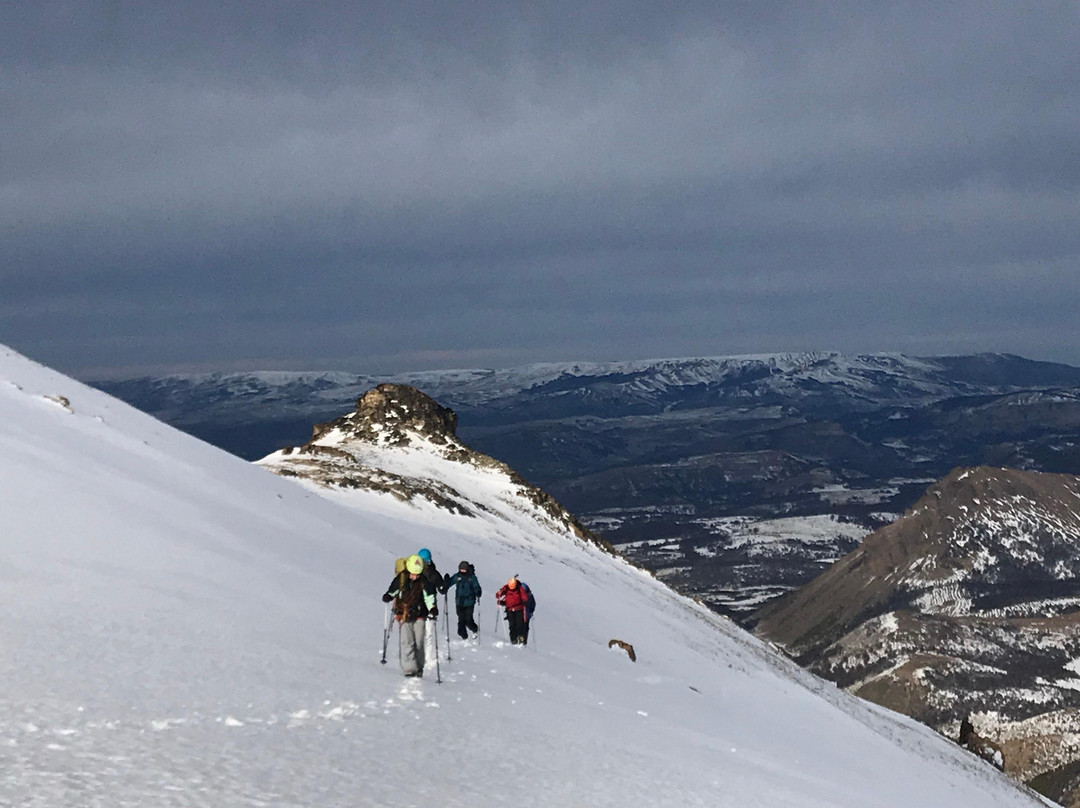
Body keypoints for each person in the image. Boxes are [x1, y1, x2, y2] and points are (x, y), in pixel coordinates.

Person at [382, 554, 438, 676]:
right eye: (413, 573)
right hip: (404, 614)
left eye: (417, 574)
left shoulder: (424, 581)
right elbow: (394, 590)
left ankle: (419, 667)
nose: (414, 576)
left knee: (418, 642)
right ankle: (409, 669)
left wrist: (432, 608)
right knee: (407, 642)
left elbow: (429, 597)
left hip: (419, 615)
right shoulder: (401, 578)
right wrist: (389, 596)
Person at [443, 561, 482, 640]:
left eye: (464, 570)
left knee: (468, 619)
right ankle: (463, 635)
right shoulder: (457, 576)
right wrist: (446, 581)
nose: (462, 571)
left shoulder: (472, 577)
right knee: (461, 618)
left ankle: (474, 629)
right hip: (459, 601)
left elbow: (476, 586)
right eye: (461, 569)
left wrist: (478, 591)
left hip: (469, 601)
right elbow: (450, 582)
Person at [496, 576, 535, 645]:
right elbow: (499, 593)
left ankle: (520, 639)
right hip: (510, 609)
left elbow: (524, 597)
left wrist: (525, 601)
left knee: (519, 624)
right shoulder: (506, 588)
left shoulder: (519, 588)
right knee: (512, 625)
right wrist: (499, 595)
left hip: (519, 609)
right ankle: (514, 639)